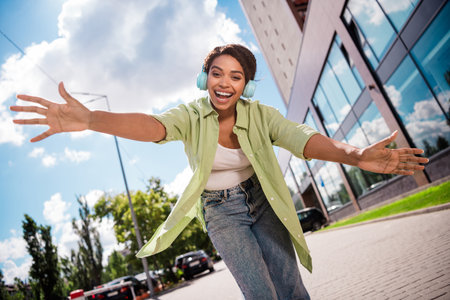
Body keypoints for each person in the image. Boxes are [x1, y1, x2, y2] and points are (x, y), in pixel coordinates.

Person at [10, 44, 428, 300]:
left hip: (262, 202)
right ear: (204, 78)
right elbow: (153, 126)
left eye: (237, 76)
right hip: (220, 212)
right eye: (217, 73)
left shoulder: (259, 115)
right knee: (260, 292)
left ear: (245, 84)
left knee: (290, 286)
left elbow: (302, 137)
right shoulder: (191, 115)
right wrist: (93, 120)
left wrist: (355, 155)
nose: (225, 83)